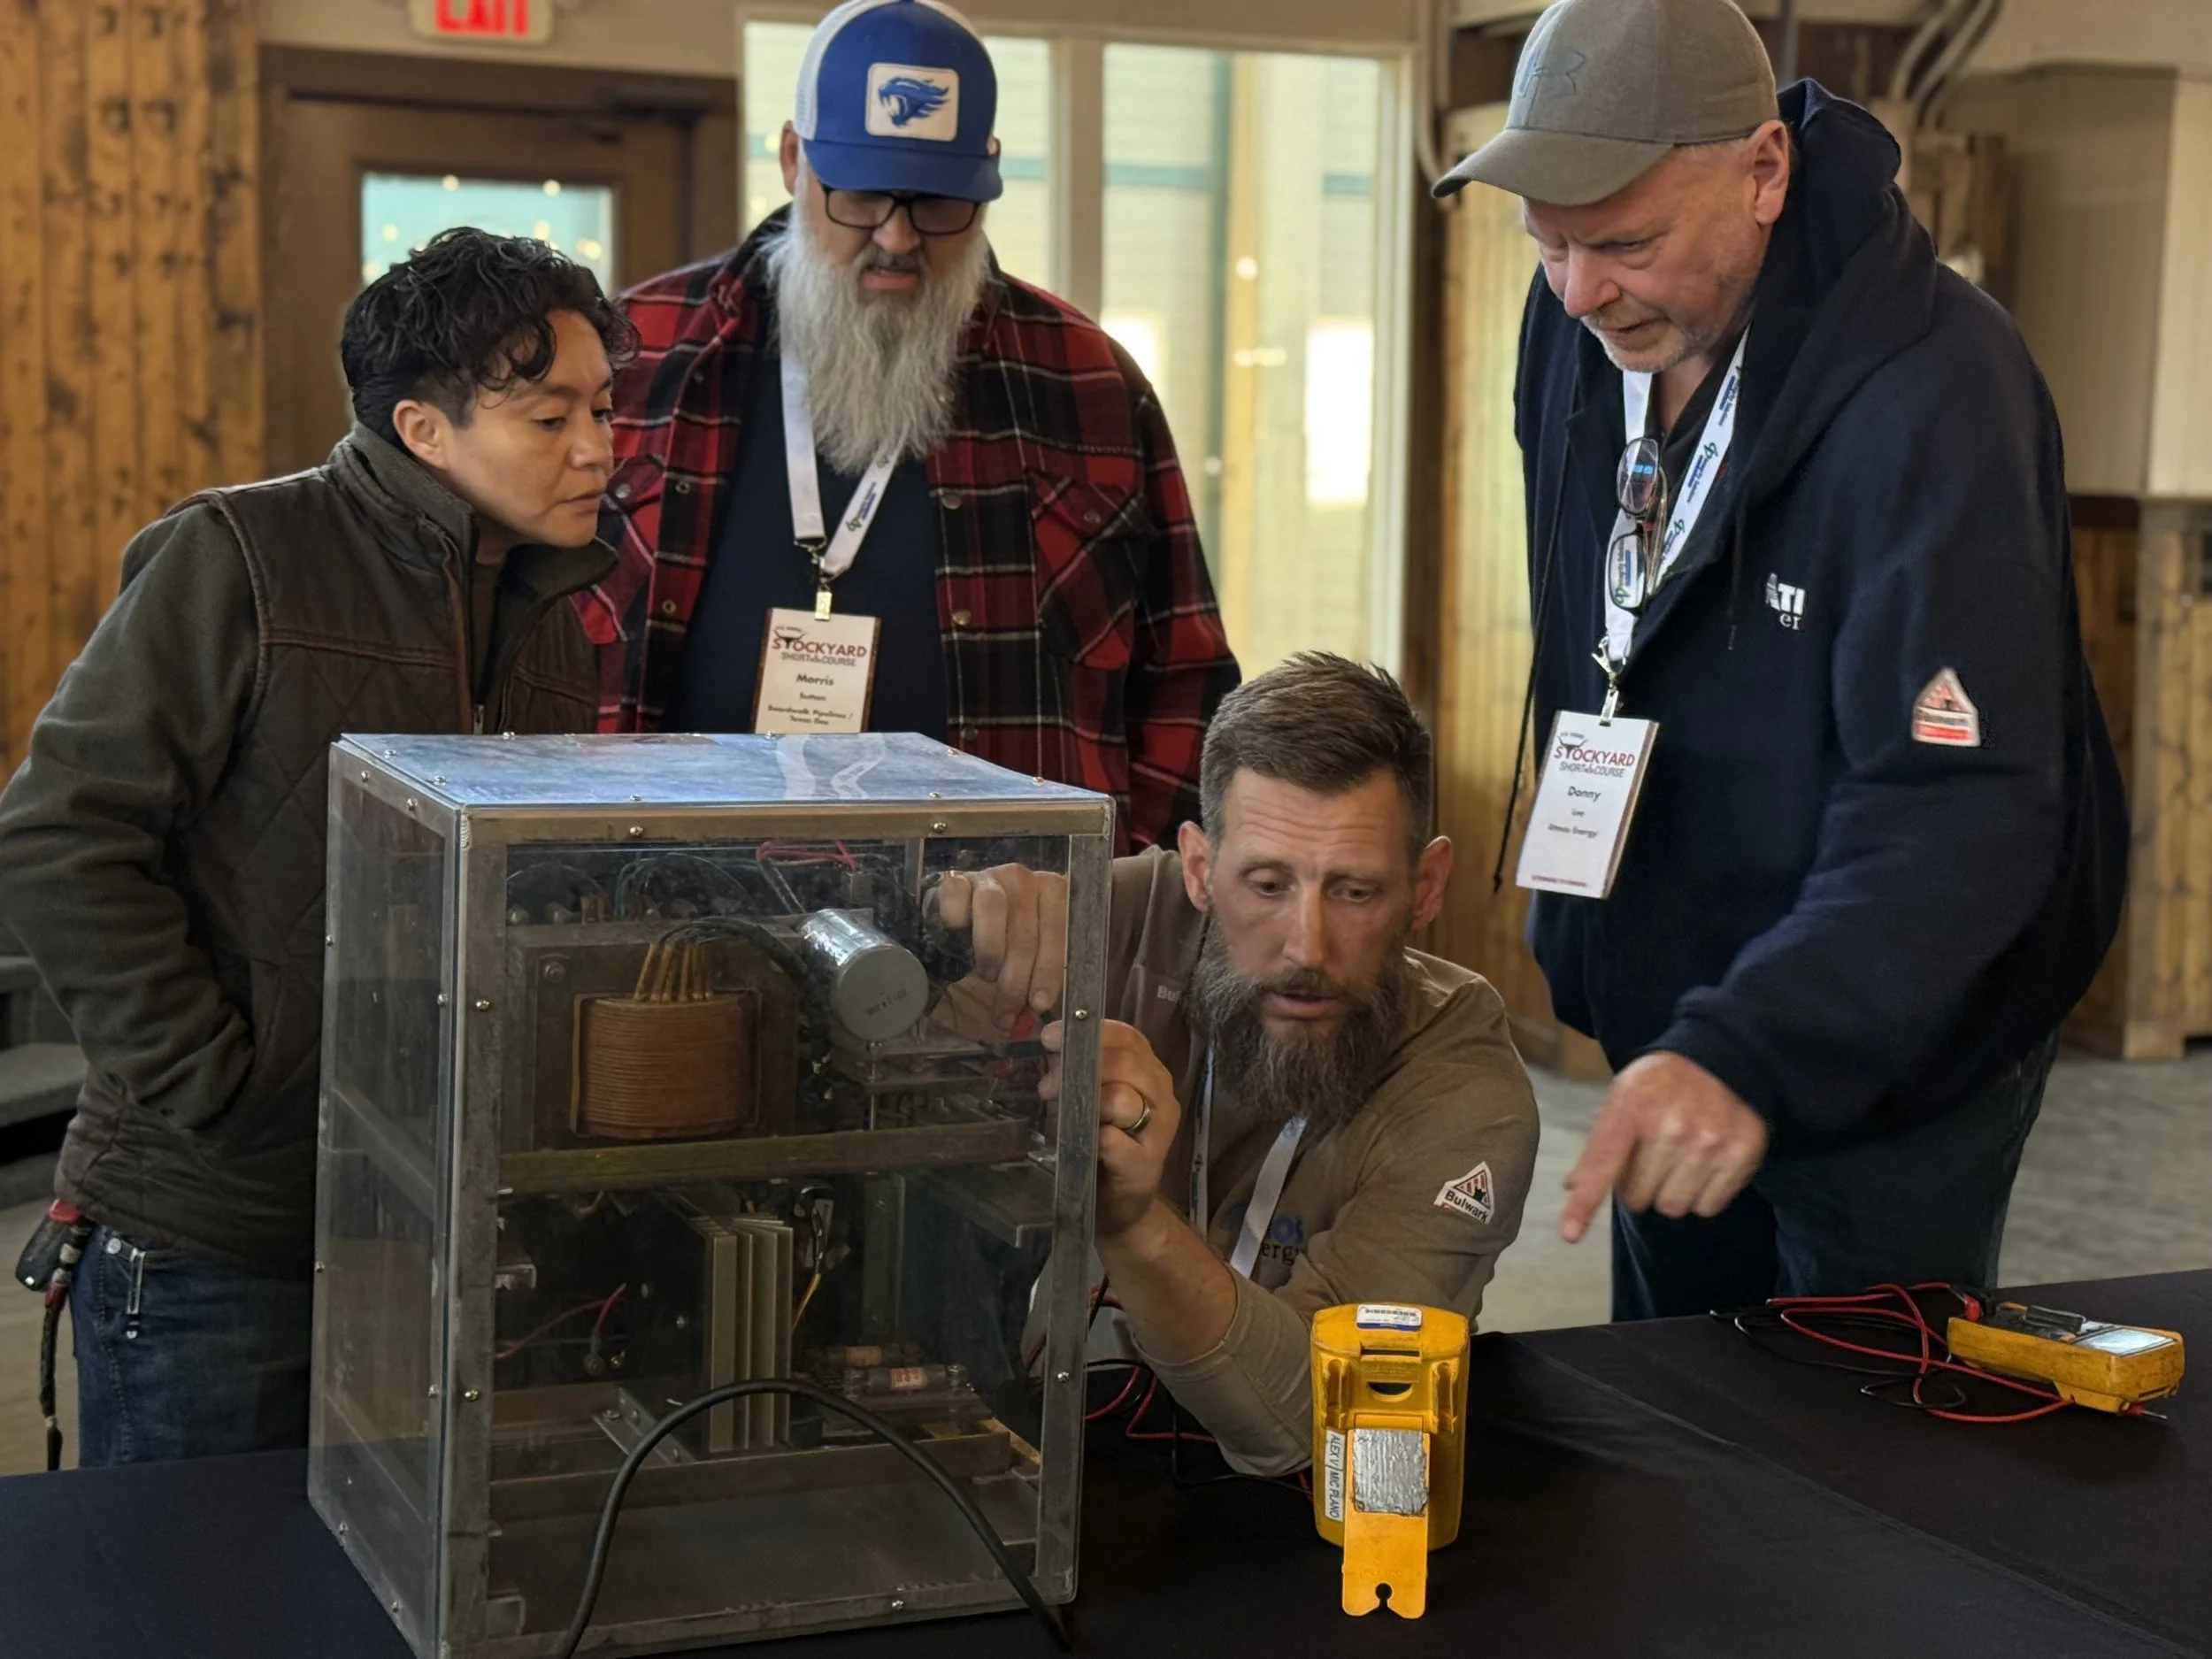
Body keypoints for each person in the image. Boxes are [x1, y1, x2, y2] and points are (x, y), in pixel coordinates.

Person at [1433, 0, 2126, 1318]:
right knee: (1680, 1405)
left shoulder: (1939, 390)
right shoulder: (1579, 322)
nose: (1578, 292)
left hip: (1896, 1024)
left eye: (1625, 241)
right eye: (1549, 241)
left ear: (1763, 170)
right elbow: (1605, 639)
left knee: (1853, 1430)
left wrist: (1750, 1048)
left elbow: (1961, 809)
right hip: (1680, 1013)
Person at [0, 229, 632, 1463]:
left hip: (430, 1224)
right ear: (424, 428)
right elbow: (56, 834)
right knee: (196, 1603)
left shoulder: (556, 617)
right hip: (214, 1232)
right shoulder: (240, 553)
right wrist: (219, 1078)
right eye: (552, 415)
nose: (598, 447)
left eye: (604, 407)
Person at [586, 0, 1239, 852]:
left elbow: (1187, 685)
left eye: (938, 203)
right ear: (792, 160)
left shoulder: (1090, 384)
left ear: (990, 173)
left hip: (1008, 952)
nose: (895, 237)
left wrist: (1108, 899)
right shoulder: (636, 357)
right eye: (859, 195)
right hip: (663, 923)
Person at [939, 653, 1540, 1473]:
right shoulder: (1126, 918)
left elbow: (1314, 1420)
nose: (1307, 946)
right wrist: (956, 928)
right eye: (1264, 884)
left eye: (1355, 891)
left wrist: (1135, 1221)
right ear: (1197, 868)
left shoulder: (1462, 1089)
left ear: (1425, 886)